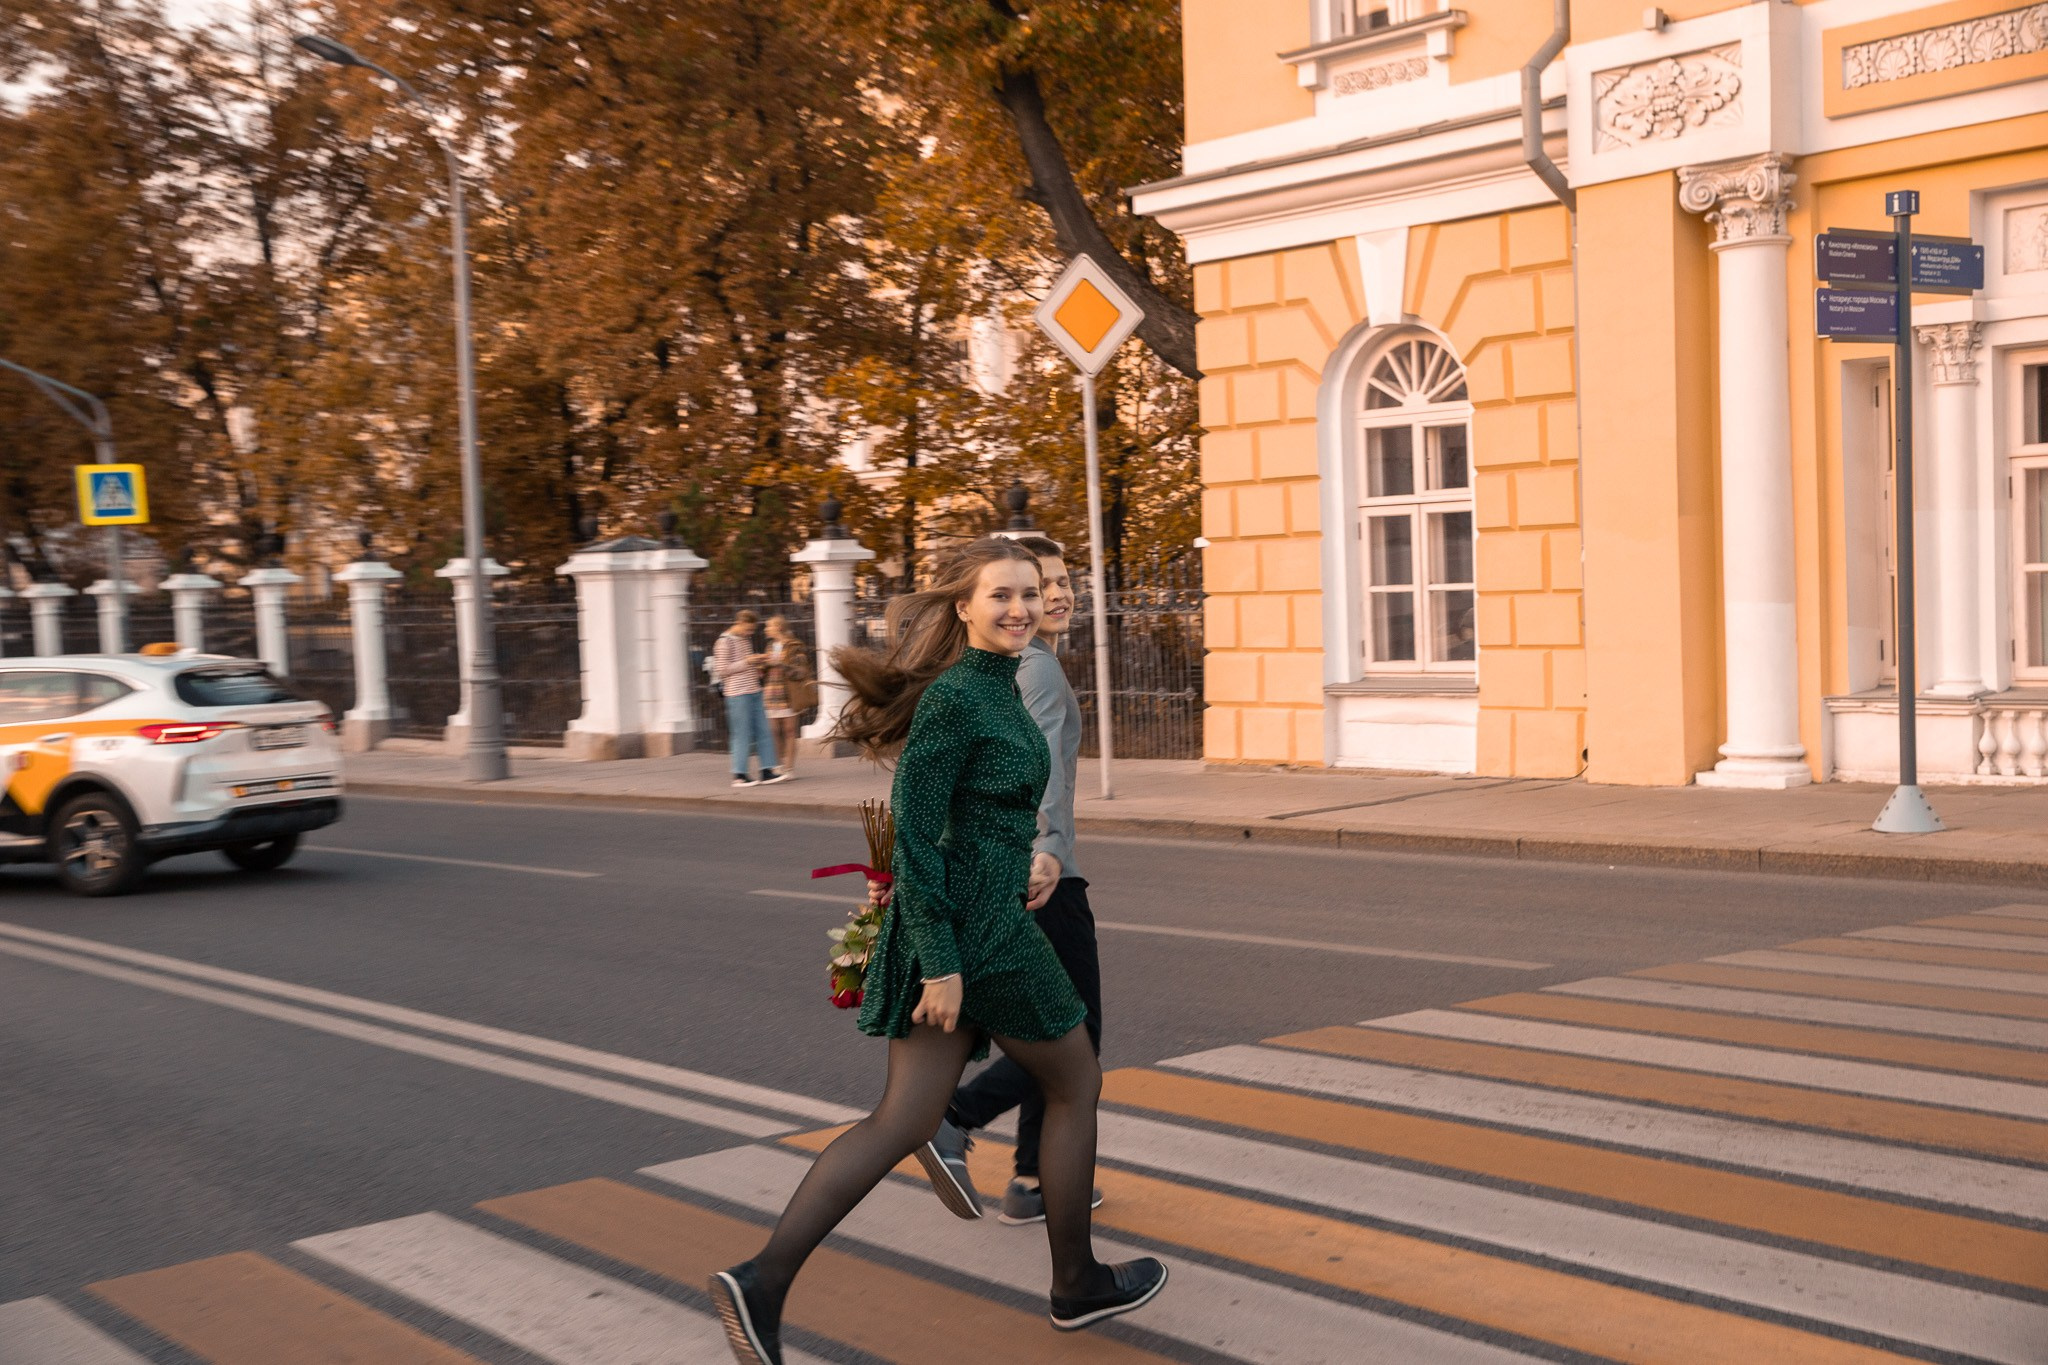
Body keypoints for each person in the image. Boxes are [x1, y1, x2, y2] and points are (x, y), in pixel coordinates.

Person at [710, 537, 1165, 1365]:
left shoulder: (997, 686)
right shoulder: (959, 697)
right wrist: (945, 964)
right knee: (1075, 1080)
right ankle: (1076, 1283)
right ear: (963, 606)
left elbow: (969, 820)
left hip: (976, 913)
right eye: (1001, 594)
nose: (1021, 607)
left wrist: (1027, 859)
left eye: (1030, 592)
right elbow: (915, 835)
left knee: (906, 1118)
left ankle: (762, 1281)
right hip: (979, 935)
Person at [919, 534, 1104, 1225]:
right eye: (1036, 584)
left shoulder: (1012, 665)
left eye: (1060, 583)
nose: (1055, 596)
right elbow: (1040, 770)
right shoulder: (1037, 669)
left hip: (1018, 870)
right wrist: (1047, 850)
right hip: (1044, 878)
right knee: (1074, 1039)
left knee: (1053, 1030)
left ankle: (1031, 1177)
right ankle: (958, 1117)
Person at [712, 610, 785, 787]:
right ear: (739, 623)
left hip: (754, 690)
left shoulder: (745, 640)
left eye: (752, 630)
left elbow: (747, 663)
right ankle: (739, 775)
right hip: (737, 694)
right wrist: (748, 662)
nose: (750, 633)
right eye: (748, 629)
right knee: (741, 734)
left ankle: (767, 771)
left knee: (764, 731)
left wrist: (759, 661)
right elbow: (722, 670)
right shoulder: (724, 642)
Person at [761, 615, 812, 778]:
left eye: (769, 626)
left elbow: (801, 671)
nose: (766, 629)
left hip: (789, 693)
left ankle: (789, 769)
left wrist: (781, 665)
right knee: (773, 731)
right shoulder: (769, 646)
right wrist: (762, 665)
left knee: (789, 731)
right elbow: (765, 671)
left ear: (779, 627)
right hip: (771, 692)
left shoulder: (795, 646)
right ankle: (778, 766)